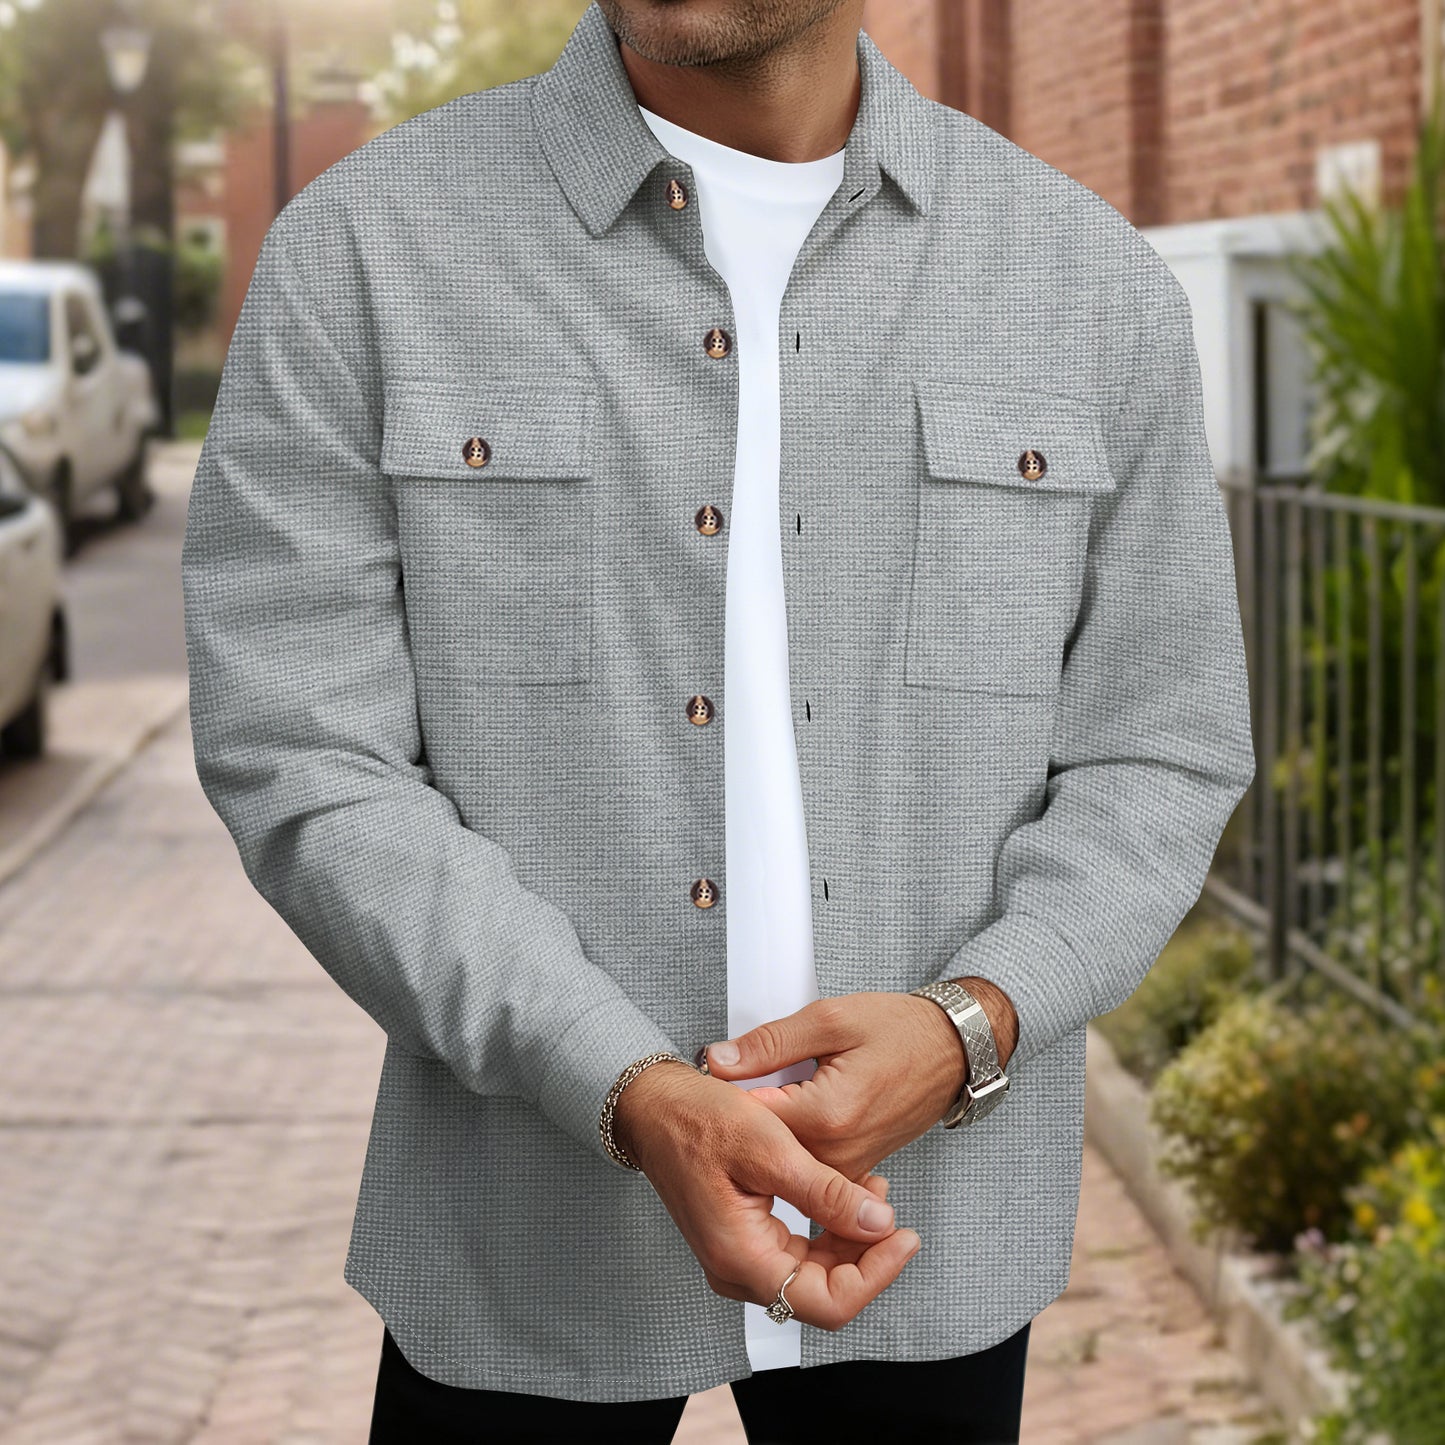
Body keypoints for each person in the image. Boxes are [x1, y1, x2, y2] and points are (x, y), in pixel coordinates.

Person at [179, 1, 1256, 1440]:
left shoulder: (1084, 283)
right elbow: (303, 752)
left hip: (920, 1236)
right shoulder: (365, 252)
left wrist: (968, 1026)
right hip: (523, 1236)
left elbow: (1158, 745)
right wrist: (623, 1085)